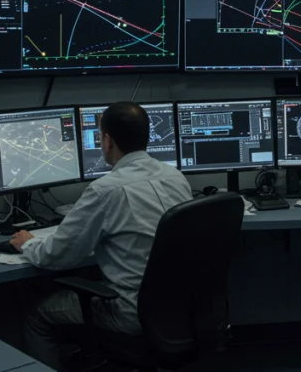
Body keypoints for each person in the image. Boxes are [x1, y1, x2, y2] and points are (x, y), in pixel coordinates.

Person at [12, 102, 193, 370]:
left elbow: (56, 256)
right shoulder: (175, 177)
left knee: (37, 315)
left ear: (107, 141)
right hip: (182, 305)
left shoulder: (105, 190)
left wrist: (29, 243)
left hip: (132, 310)